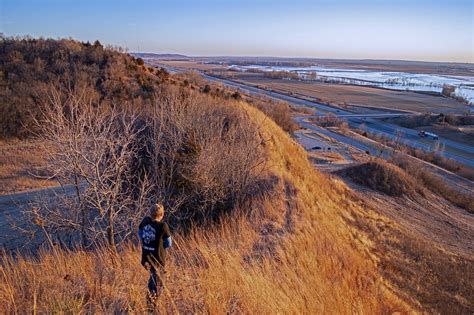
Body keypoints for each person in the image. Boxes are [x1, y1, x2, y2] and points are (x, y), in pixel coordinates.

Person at [138, 203, 172, 302]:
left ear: (150, 213)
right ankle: (151, 304)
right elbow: (168, 243)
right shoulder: (163, 226)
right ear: (162, 215)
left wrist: (147, 243)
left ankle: (150, 299)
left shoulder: (145, 221)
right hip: (158, 259)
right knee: (158, 283)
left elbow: (140, 234)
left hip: (146, 258)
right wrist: (161, 246)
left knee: (153, 275)